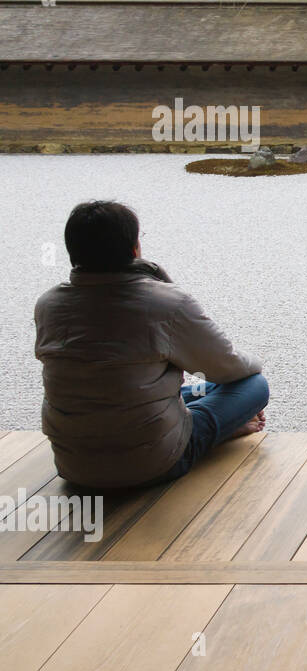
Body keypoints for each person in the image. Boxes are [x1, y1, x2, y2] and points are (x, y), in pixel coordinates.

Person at [34, 201, 268, 490]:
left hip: (73, 465)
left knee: (146, 389)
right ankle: (218, 431)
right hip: (153, 464)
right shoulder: (166, 302)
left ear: (73, 252)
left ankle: (215, 424)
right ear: (134, 249)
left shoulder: (48, 305)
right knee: (254, 386)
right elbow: (228, 367)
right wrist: (257, 362)